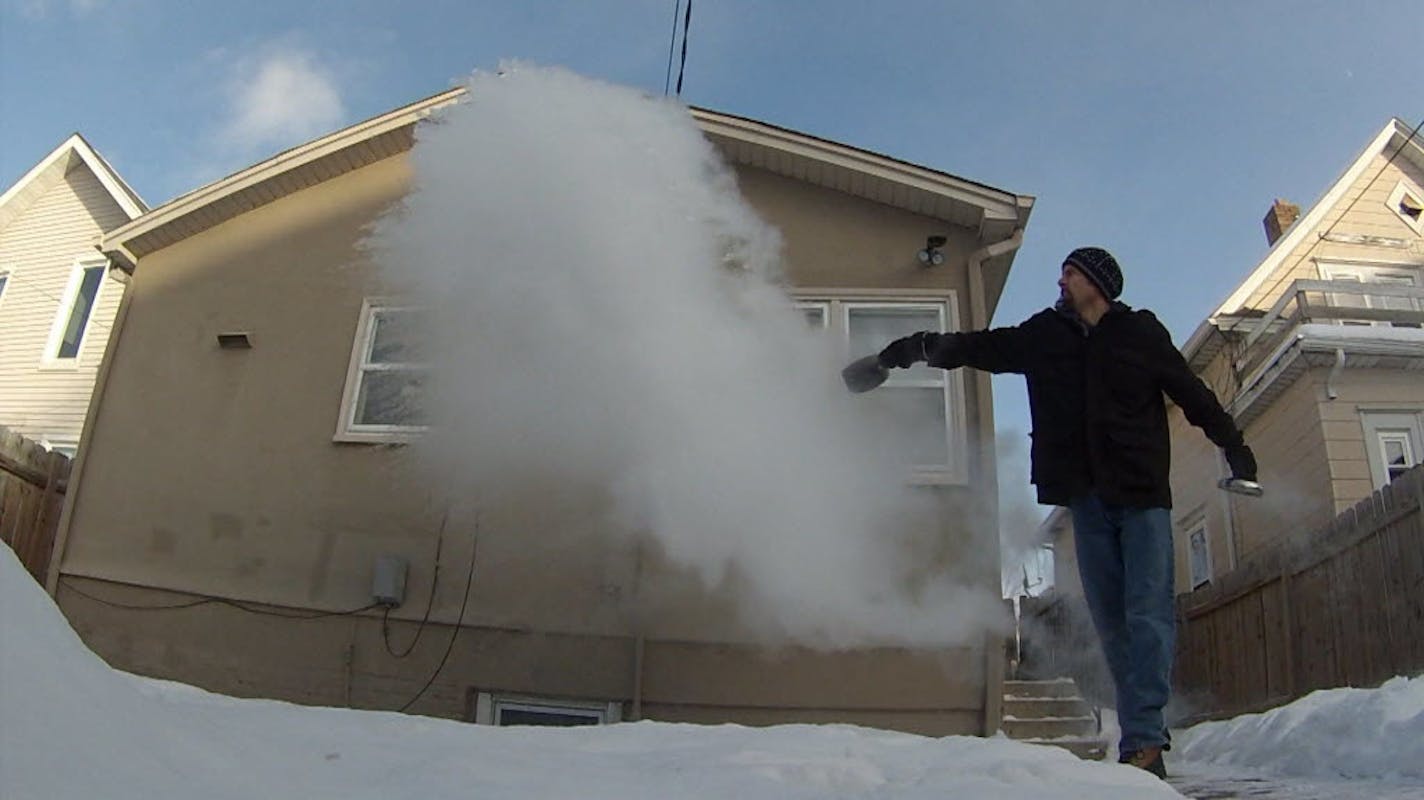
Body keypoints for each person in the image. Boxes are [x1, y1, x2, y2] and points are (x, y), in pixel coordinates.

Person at [871, 246, 1256, 779]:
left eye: (1071, 272)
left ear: (1099, 282)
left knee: (1147, 614)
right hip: (1085, 501)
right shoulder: (1044, 335)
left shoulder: (1140, 333)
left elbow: (1194, 395)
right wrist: (916, 348)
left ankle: (1144, 738)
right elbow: (982, 347)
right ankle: (1139, 737)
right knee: (1112, 622)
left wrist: (1235, 449)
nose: (1061, 279)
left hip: (1142, 495)